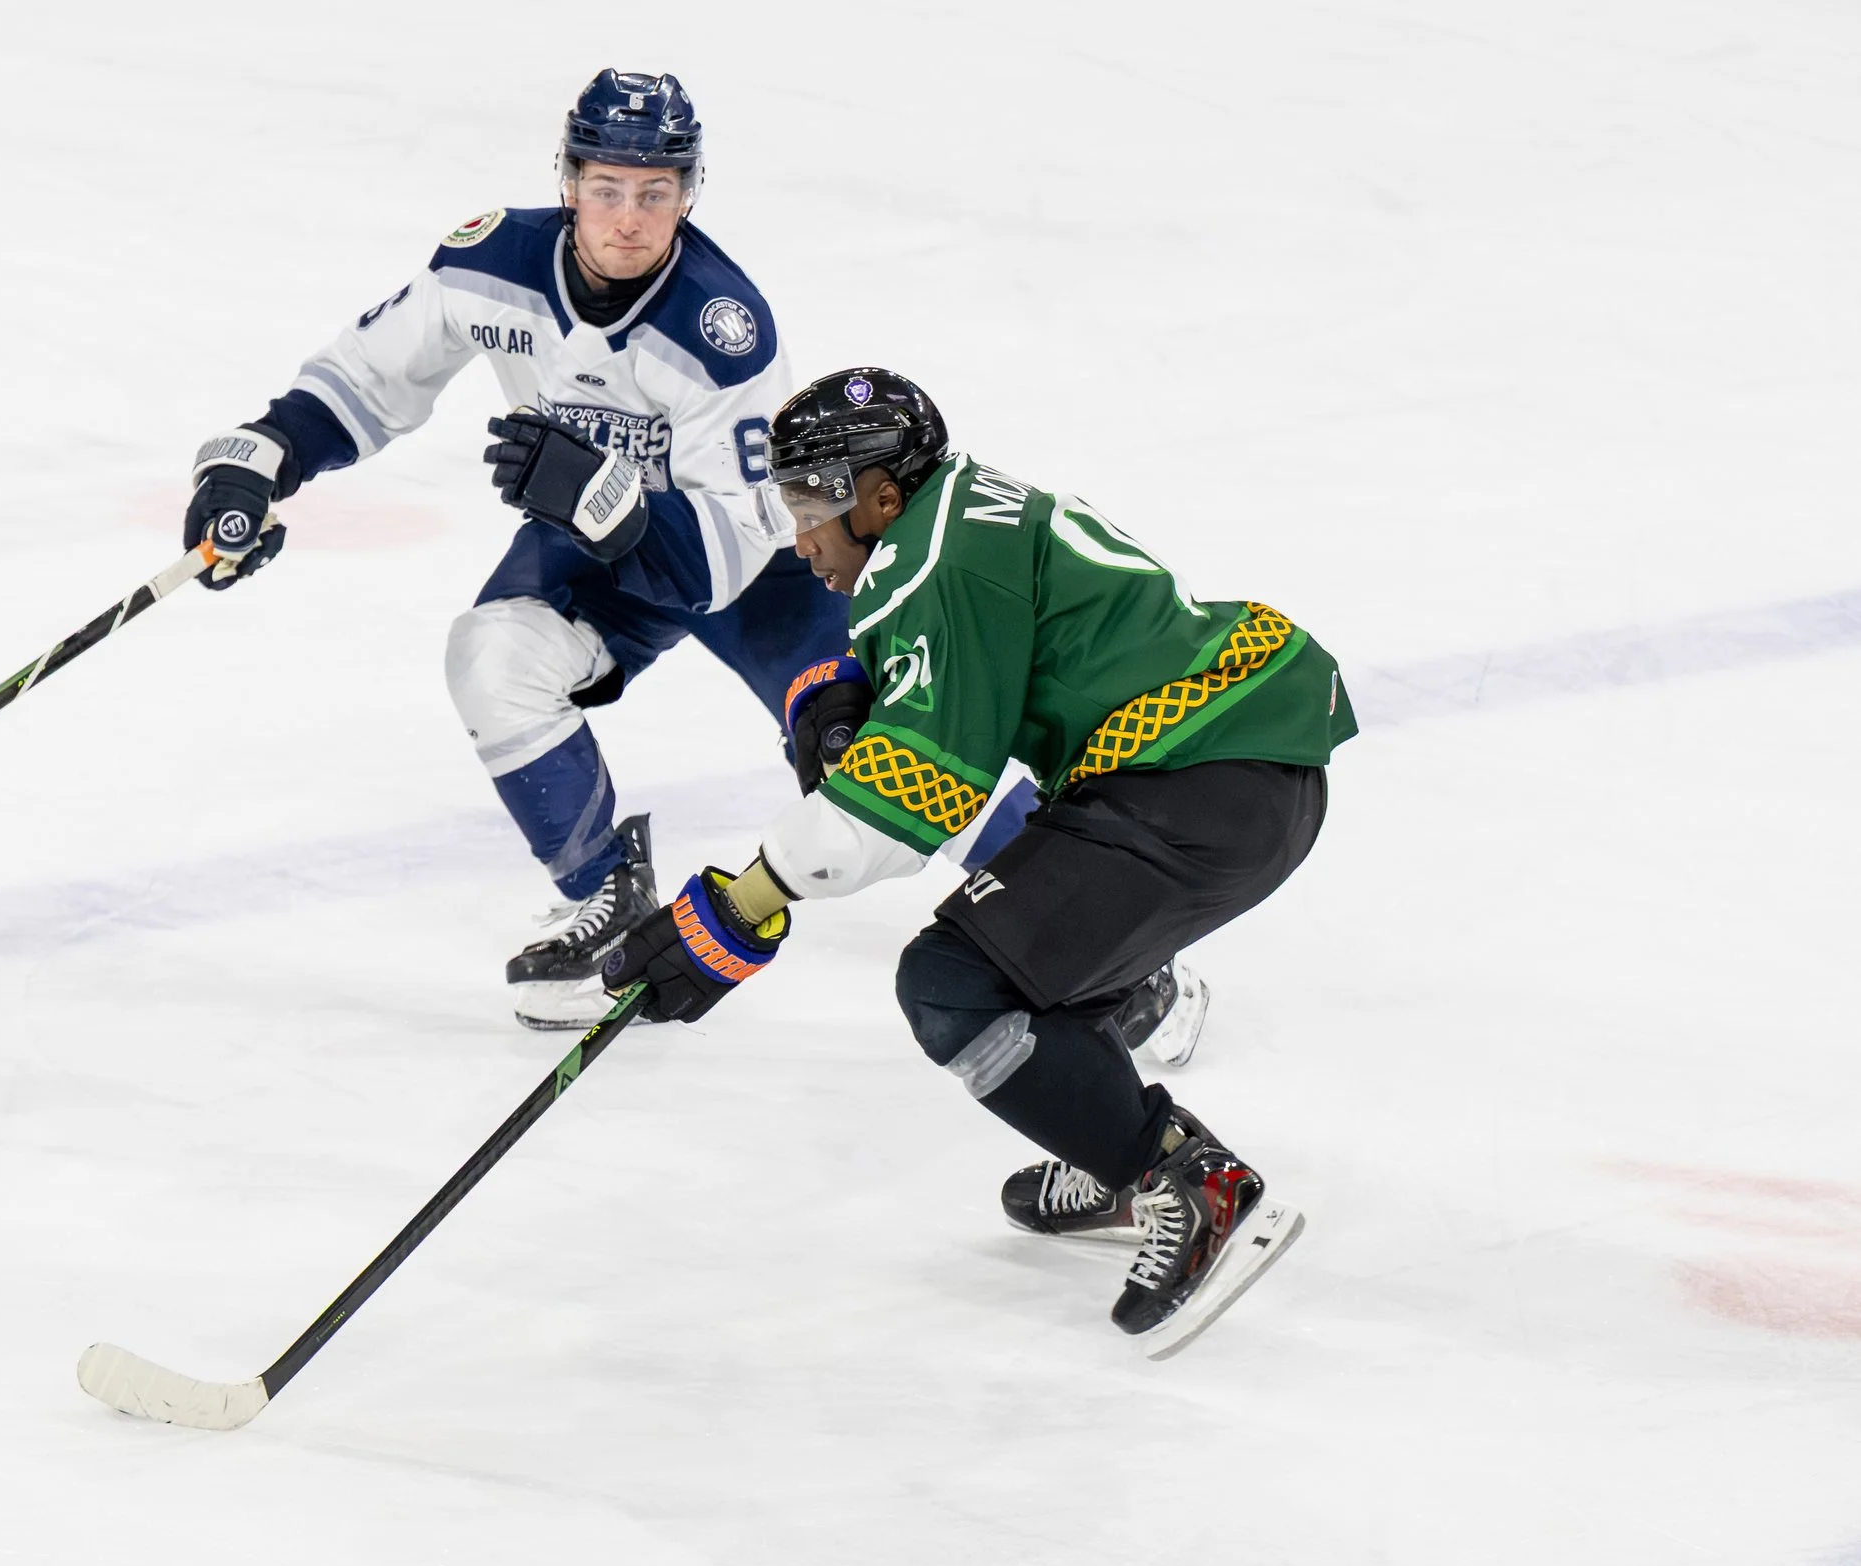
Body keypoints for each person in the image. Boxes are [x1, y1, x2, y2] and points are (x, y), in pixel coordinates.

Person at [603, 368, 1357, 1357]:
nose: (798, 537)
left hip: (1200, 785)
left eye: (806, 504)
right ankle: (1111, 1145)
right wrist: (848, 682)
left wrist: (737, 910)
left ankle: (1181, 1179)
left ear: (876, 496)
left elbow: (913, 800)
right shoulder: (953, 512)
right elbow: (981, 652)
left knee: (954, 981)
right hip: (1233, 767)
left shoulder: (936, 565)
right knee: (1039, 972)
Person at [180, 69, 843, 1029]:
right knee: (491, 658)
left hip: (764, 565)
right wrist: (263, 458)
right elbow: (370, 377)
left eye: (656, 193)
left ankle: (1098, 944)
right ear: (567, 180)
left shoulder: (721, 327)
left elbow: (727, 557)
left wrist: (608, 500)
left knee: (866, 749)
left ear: (689, 193)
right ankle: (607, 900)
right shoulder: (491, 260)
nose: (629, 218)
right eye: (607, 188)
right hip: (600, 545)